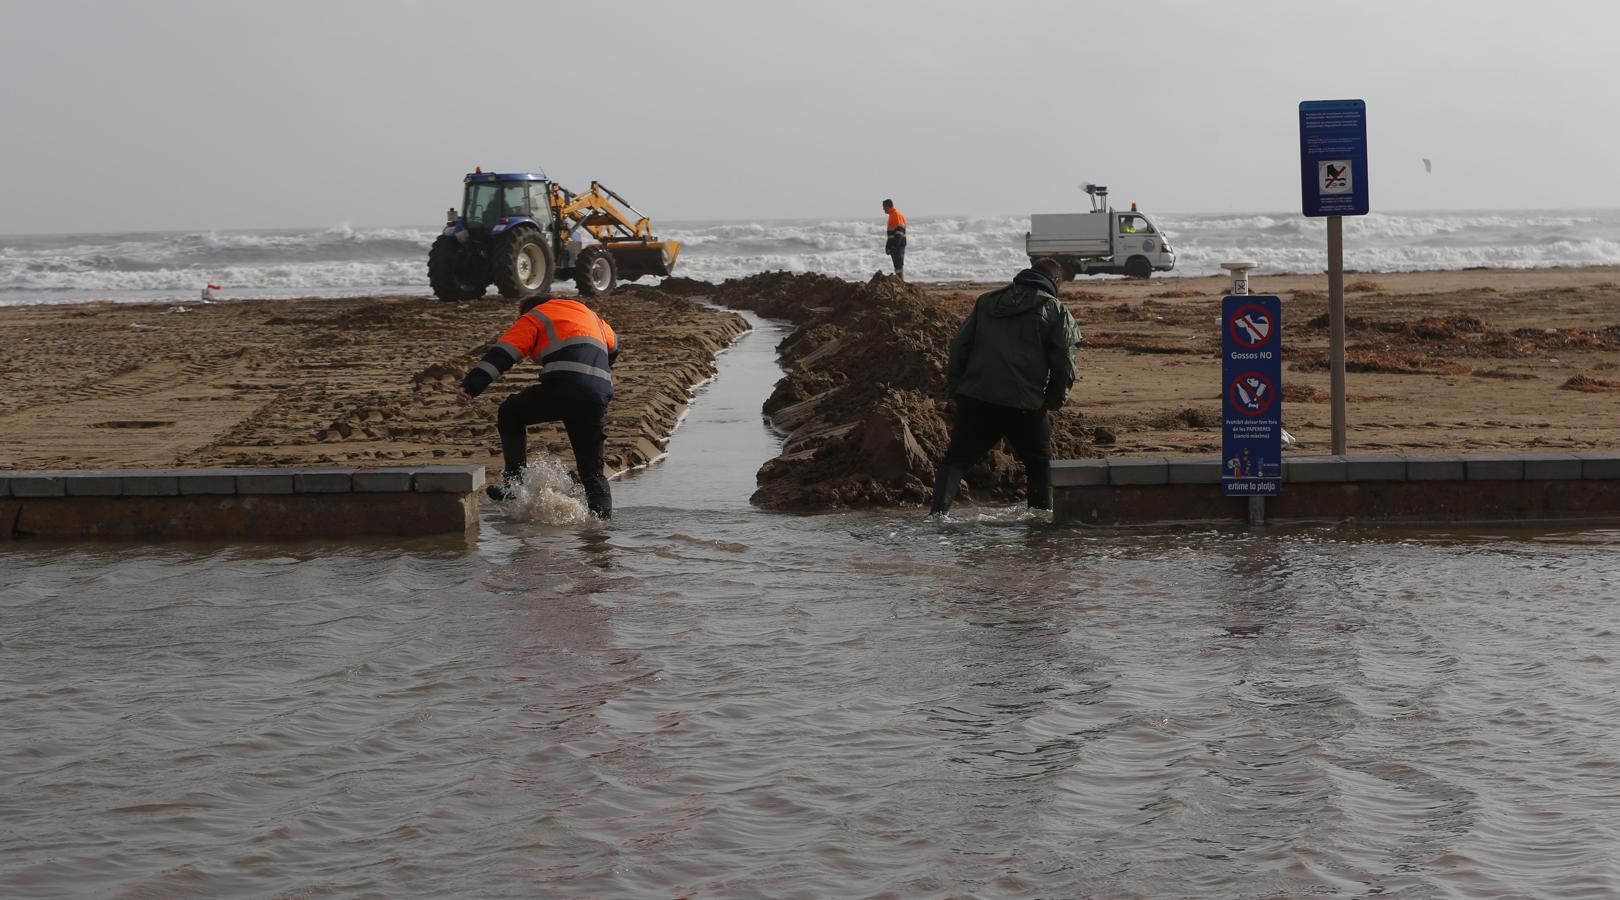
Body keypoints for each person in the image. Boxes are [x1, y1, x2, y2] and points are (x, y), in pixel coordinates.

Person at [929, 257, 1080, 515]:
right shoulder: (1057, 311)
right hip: (1025, 405)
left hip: (977, 398)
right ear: (1055, 281)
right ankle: (1039, 528)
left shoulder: (987, 302)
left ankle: (937, 516)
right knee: (1039, 465)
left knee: (955, 461)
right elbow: (1064, 363)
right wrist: (1053, 401)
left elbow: (959, 348)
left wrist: (956, 388)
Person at [457, 295, 619, 518]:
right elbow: (614, 345)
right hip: (598, 393)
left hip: (563, 387)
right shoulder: (589, 315)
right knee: (592, 470)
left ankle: (513, 485)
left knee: (510, 412)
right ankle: (601, 534)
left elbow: (503, 354)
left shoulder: (535, 317)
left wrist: (471, 386)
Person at [882, 198, 907, 280]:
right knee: (897, 266)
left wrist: (894, 246)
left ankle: (902, 284)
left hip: (898, 245)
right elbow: (891, 234)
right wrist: (888, 246)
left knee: (899, 266)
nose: (883, 209)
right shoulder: (892, 215)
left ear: (887, 206)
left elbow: (899, 232)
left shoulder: (896, 215)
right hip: (895, 245)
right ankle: (901, 283)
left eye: (884, 207)